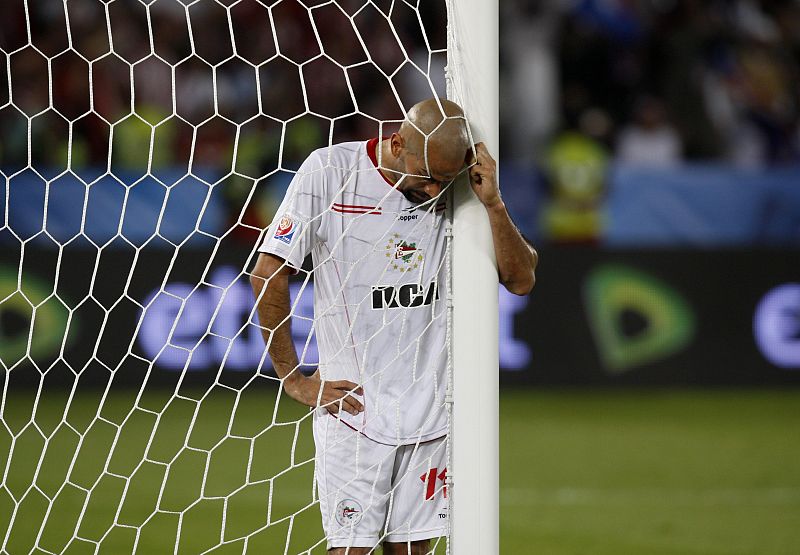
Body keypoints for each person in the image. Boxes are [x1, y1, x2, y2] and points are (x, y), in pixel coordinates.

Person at [249, 98, 537, 554]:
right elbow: (268, 272)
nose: (432, 191)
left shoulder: (459, 189)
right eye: (426, 178)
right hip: (354, 409)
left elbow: (520, 280)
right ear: (397, 143)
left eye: (444, 181)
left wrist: (494, 204)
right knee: (351, 549)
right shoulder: (329, 171)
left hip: (433, 412)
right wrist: (292, 379)